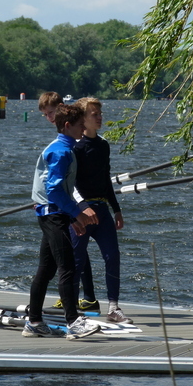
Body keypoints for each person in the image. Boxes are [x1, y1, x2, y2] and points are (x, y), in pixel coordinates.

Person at [24, 104, 100, 340]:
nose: (83, 128)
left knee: (46, 269)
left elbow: (59, 189)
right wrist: (77, 214)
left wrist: (71, 215)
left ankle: (34, 322)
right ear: (67, 126)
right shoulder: (62, 151)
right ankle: (73, 322)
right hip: (52, 214)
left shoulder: (64, 147)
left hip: (53, 213)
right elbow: (55, 190)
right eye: (80, 125)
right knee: (67, 267)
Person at [71, 97, 132, 324]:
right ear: (83, 120)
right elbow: (71, 184)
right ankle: (71, 308)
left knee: (112, 256)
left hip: (102, 210)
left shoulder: (103, 145)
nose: (99, 117)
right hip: (81, 212)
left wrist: (116, 209)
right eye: (94, 114)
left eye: (100, 113)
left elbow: (106, 180)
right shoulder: (75, 147)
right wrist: (80, 209)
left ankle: (113, 307)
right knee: (76, 261)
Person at [37, 91, 97, 312]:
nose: (49, 118)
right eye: (45, 115)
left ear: (61, 109)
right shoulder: (60, 146)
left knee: (71, 260)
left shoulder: (69, 144)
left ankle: (85, 298)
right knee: (56, 264)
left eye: (51, 113)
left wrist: (79, 209)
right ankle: (39, 316)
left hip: (66, 205)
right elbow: (56, 184)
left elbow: (71, 183)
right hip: (58, 207)